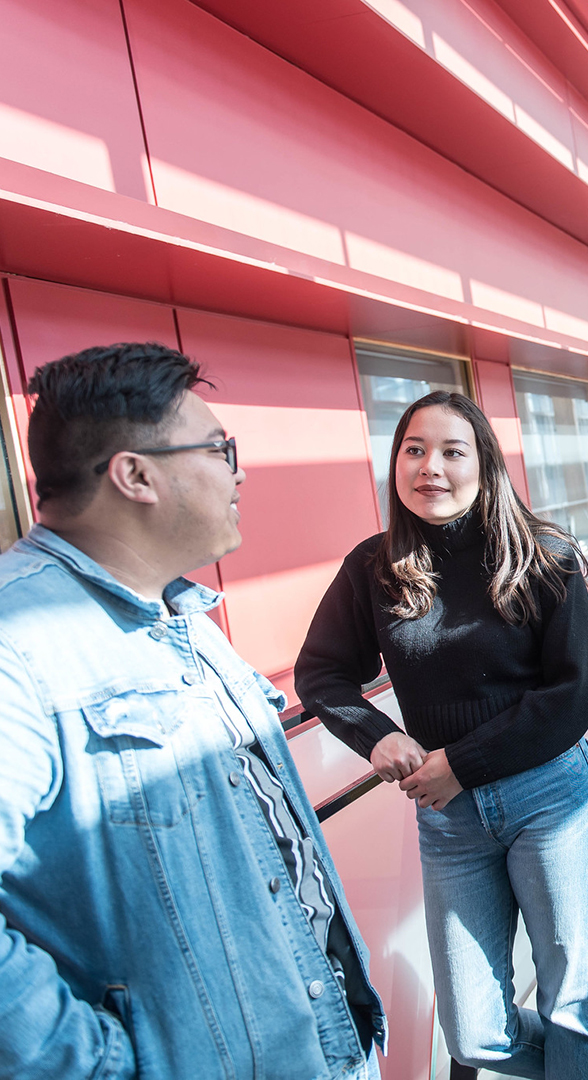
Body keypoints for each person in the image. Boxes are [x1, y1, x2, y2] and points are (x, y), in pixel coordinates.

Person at [0, 343, 385, 1078]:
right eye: (218, 448)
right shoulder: (18, 644)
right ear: (135, 475)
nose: (239, 471)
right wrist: (105, 1066)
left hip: (326, 1045)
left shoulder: (179, 613)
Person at [294, 391, 588, 1080]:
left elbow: (576, 697)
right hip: (450, 821)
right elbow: (321, 674)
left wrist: (464, 762)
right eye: (414, 450)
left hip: (552, 801)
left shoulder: (543, 555)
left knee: (571, 1002)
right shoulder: (374, 568)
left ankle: (586, 1048)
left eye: (453, 451)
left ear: (485, 464)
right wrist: (376, 736)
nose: (431, 468)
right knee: (475, 1036)